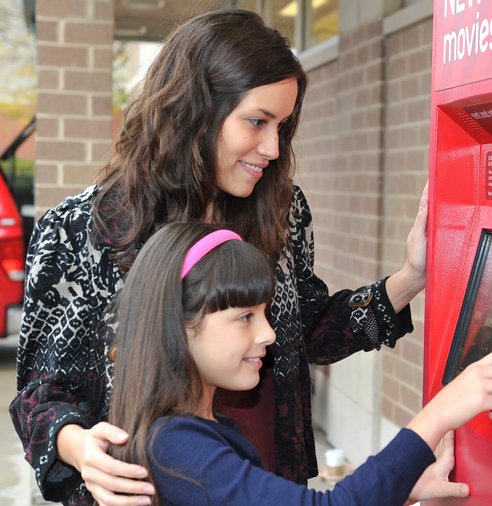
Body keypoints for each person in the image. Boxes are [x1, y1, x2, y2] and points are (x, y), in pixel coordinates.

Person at [10, 8, 432, 506]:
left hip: (268, 483)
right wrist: (78, 446)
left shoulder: (283, 210)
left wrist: (411, 277)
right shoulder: (79, 228)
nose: (273, 148)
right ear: (195, 109)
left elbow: (304, 330)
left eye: (283, 125)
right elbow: (41, 394)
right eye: (257, 121)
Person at [106, 223, 492, 505]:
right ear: (178, 327)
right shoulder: (175, 446)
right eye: (244, 317)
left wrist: (402, 487)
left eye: (265, 313)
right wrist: (439, 413)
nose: (268, 334)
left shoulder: (192, 430)